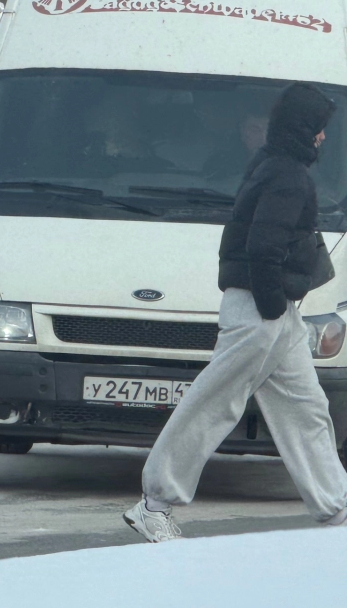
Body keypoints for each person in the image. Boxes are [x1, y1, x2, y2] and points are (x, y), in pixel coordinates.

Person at [124, 83, 347, 542]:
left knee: (307, 408)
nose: (324, 137)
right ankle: (155, 502)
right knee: (215, 403)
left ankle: (336, 509)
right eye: (320, 129)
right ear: (305, 129)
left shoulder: (273, 165)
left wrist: (277, 308)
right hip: (260, 308)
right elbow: (263, 247)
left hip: (274, 310)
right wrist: (270, 307)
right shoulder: (289, 175)